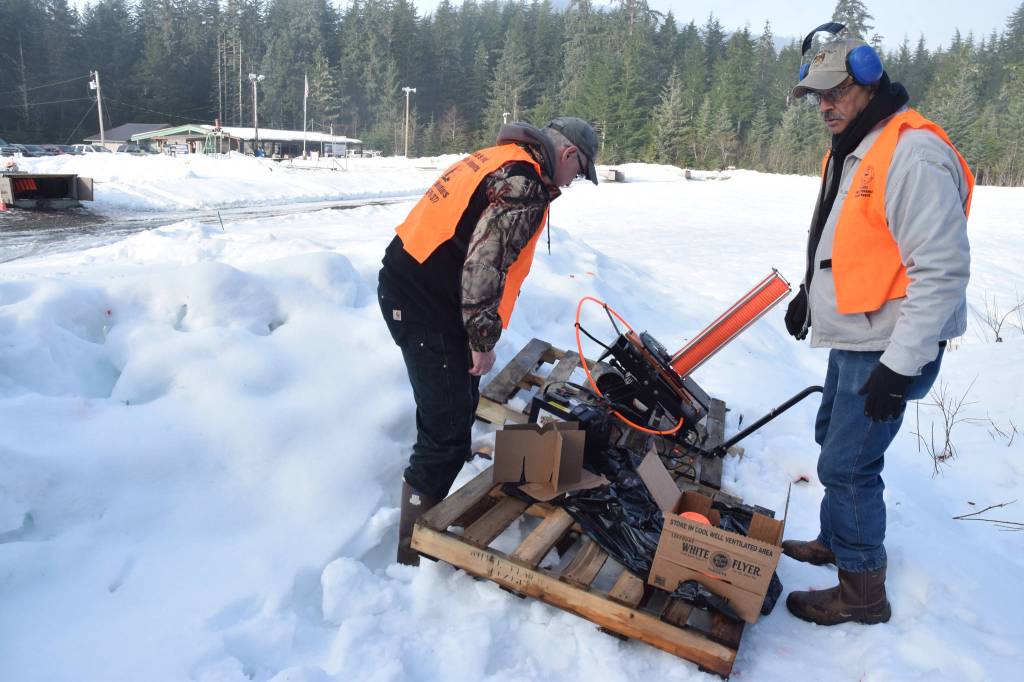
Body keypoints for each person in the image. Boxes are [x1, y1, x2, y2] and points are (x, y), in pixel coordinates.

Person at [782, 28, 973, 625]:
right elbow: (853, 239)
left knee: (850, 464)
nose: (824, 106)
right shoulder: (859, 143)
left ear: (868, 79)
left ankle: (862, 591)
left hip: (890, 343)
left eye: (834, 92)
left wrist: (900, 365)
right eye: (816, 96)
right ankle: (835, 541)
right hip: (858, 331)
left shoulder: (911, 153)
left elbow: (940, 271)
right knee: (831, 438)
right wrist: (810, 296)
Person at [378, 117, 600, 566]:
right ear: (569, 155)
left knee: (456, 409)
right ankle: (413, 552)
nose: (572, 182)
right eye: (578, 173)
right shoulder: (525, 184)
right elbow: (483, 264)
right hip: (424, 304)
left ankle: (428, 522)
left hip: (426, 294)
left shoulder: (501, 159)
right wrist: (482, 339)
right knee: (445, 432)